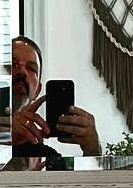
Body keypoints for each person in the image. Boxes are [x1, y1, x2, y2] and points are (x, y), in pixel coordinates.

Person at [6, 35, 101, 167]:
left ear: (37, 91)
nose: (22, 71)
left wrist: (93, 151)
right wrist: (2, 138)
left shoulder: (47, 158)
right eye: (13, 64)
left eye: (31, 68)